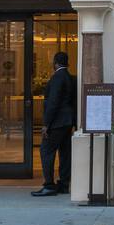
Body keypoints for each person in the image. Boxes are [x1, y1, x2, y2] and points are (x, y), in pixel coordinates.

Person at [31, 51, 77, 197]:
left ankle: (49, 185)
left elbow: (53, 102)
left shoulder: (57, 77)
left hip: (57, 122)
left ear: (55, 63)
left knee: (46, 151)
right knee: (65, 153)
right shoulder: (71, 77)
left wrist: (46, 124)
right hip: (67, 121)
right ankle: (63, 184)